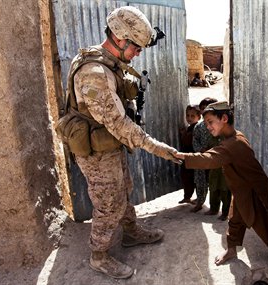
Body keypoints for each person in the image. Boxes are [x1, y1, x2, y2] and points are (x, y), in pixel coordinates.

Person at [64, 6, 179, 279]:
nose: (137, 54)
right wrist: (157, 148)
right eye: (135, 48)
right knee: (108, 202)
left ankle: (131, 232)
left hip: (109, 144)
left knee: (123, 188)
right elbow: (118, 124)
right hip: (96, 151)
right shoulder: (94, 72)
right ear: (119, 39)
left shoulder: (107, 63)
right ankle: (99, 255)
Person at [174, 101, 268, 267]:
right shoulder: (231, 137)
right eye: (206, 124)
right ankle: (232, 250)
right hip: (241, 189)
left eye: (210, 122)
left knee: (263, 224)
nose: (208, 127)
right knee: (234, 220)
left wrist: (180, 156)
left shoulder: (233, 144)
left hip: (254, 191)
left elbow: (209, 159)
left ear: (224, 118)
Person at [191, 97, 218, 212]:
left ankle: (214, 207)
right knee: (200, 181)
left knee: (214, 184)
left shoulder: (218, 125)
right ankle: (199, 202)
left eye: (206, 108)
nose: (203, 111)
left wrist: (212, 151)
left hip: (215, 158)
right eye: (202, 109)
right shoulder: (199, 126)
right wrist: (200, 150)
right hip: (202, 158)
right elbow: (195, 140)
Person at [178, 104, 201, 204]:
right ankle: (187, 196)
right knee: (186, 178)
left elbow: (188, 141)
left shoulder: (197, 129)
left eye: (192, 116)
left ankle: (198, 198)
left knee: (195, 179)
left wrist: (183, 134)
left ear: (199, 117)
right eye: (187, 115)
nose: (189, 118)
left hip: (194, 158)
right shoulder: (189, 128)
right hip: (186, 158)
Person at [205, 134, 231, 221]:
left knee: (225, 190)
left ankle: (225, 213)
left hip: (225, 169)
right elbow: (208, 150)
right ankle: (213, 209)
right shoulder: (211, 137)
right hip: (214, 167)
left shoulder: (228, 137)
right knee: (213, 188)